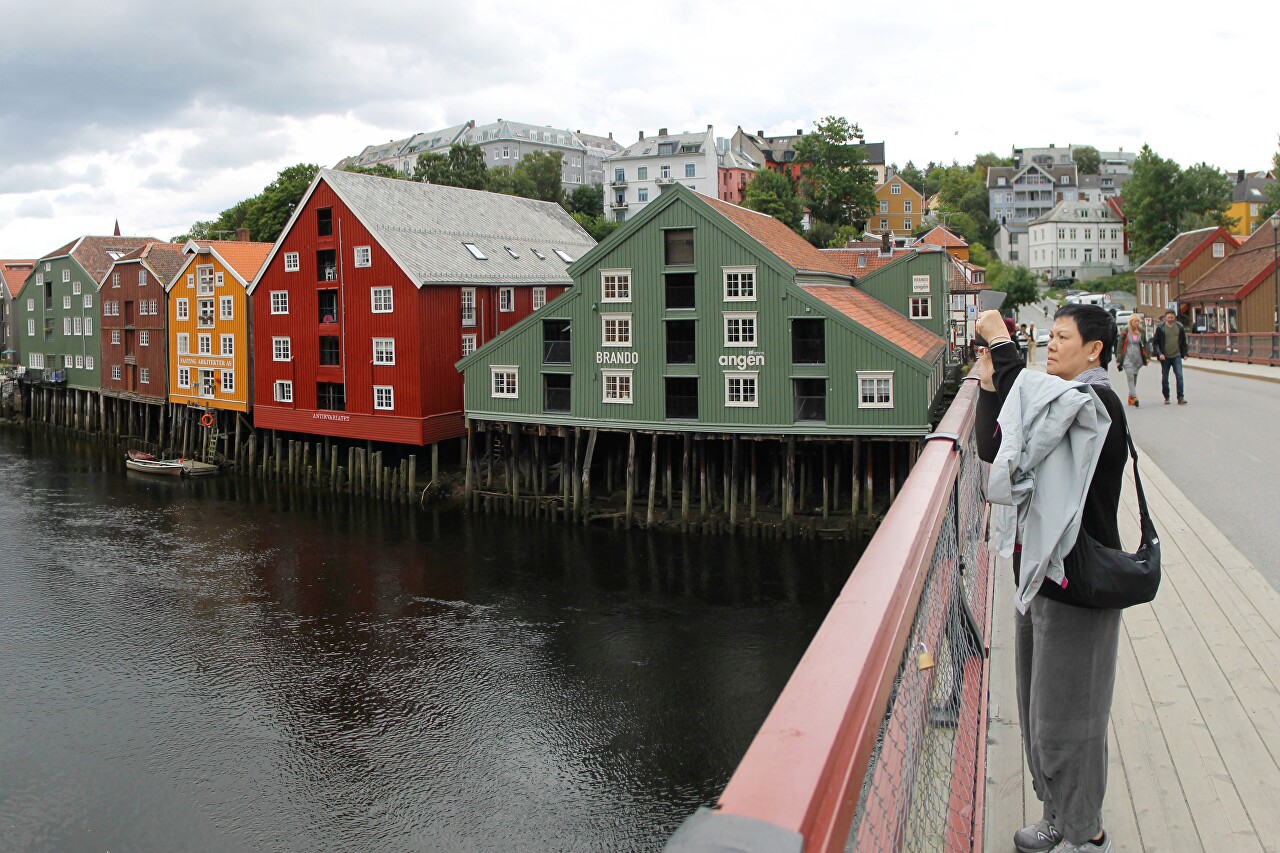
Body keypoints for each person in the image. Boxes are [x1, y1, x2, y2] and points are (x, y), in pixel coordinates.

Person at [975, 305, 1127, 853]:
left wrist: (1003, 342)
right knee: (1044, 712)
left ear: (1095, 350)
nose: (1053, 344)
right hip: (1041, 574)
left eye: (1064, 337)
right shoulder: (1050, 403)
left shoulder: (1096, 403)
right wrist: (992, 389)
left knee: (1073, 720)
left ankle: (1087, 834)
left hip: (1079, 586)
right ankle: (1059, 816)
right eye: (1051, 335)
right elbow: (997, 451)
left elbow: (1045, 411)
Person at [1150, 309, 1188, 404]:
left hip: (1176, 355)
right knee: (1165, 378)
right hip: (1165, 357)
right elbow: (1155, 343)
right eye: (1168, 317)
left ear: (1175, 317)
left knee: (1179, 376)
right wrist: (1159, 354)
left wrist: (1185, 353)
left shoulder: (1179, 327)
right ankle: (1166, 396)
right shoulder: (1160, 328)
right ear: (1165, 317)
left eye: (1172, 317)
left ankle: (1180, 396)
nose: (1170, 319)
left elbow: (1183, 341)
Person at [1116, 313, 1149, 406]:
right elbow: (1119, 345)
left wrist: (1147, 357)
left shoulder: (1141, 332)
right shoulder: (1125, 331)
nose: (1137, 323)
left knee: (1134, 377)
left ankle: (1130, 397)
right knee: (1130, 376)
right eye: (1135, 321)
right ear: (1131, 322)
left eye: (1138, 321)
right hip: (1127, 357)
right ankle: (1134, 397)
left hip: (1137, 358)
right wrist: (1119, 359)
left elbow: (1145, 344)